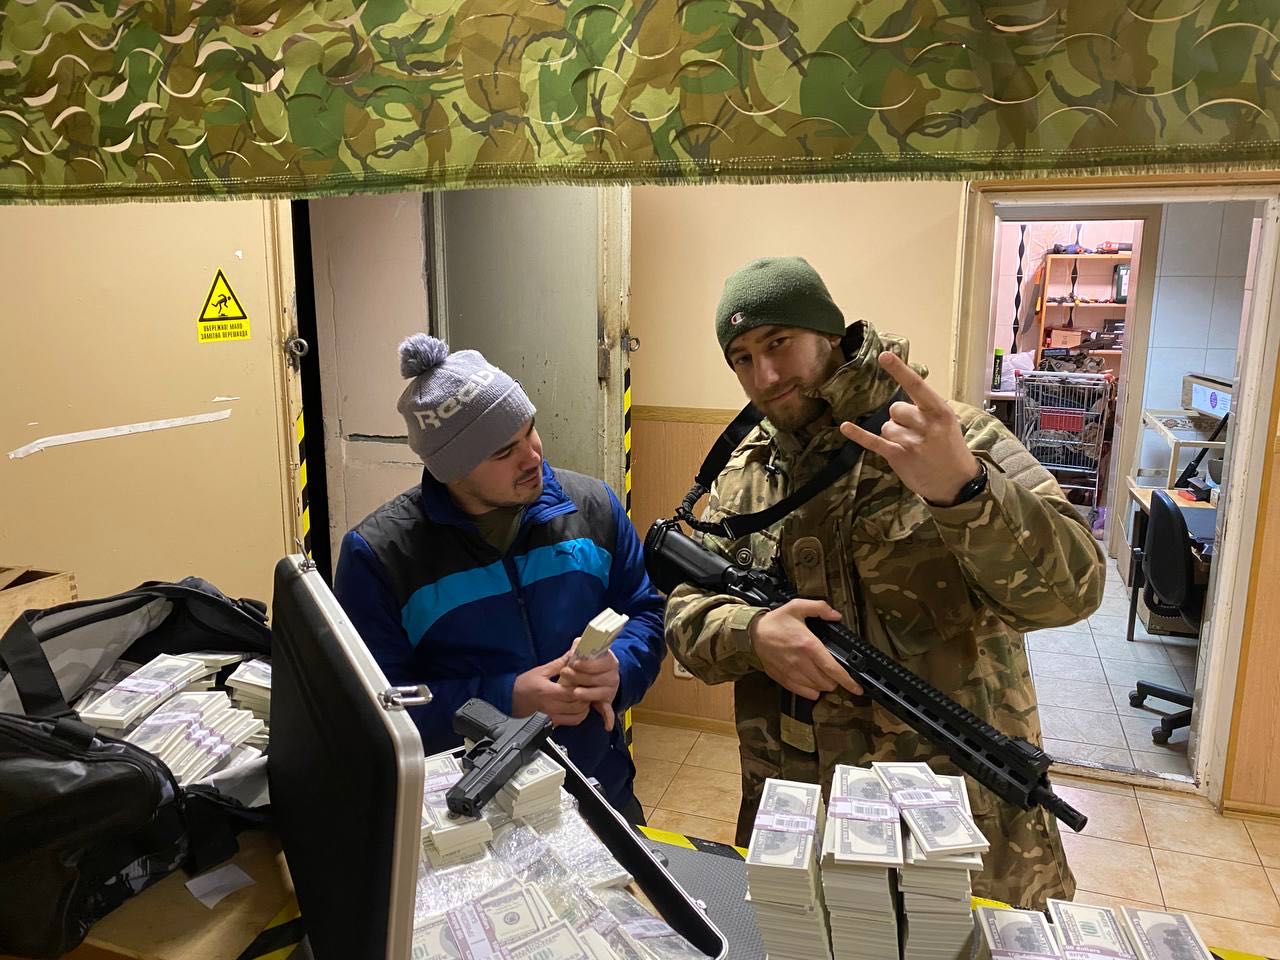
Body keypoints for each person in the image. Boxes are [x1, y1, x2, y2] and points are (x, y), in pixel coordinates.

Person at [664, 257, 1104, 908]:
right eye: (743, 359)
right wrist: (751, 633)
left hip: (953, 820)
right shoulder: (746, 473)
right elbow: (684, 616)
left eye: (779, 344)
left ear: (830, 334)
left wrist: (965, 491)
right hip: (801, 817)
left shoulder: (947, 435)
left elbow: (1075, 592)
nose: (765, 376)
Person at [335, 334, 664, 821]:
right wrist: (503, 700)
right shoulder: (381, 556)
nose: (532, 456)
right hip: (470, 814)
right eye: (503, 451)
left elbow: (645, 612)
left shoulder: (594, 509)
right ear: (452, 470)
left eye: (530, 430)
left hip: (600, 792)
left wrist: (619, 669)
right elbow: (375, 707)